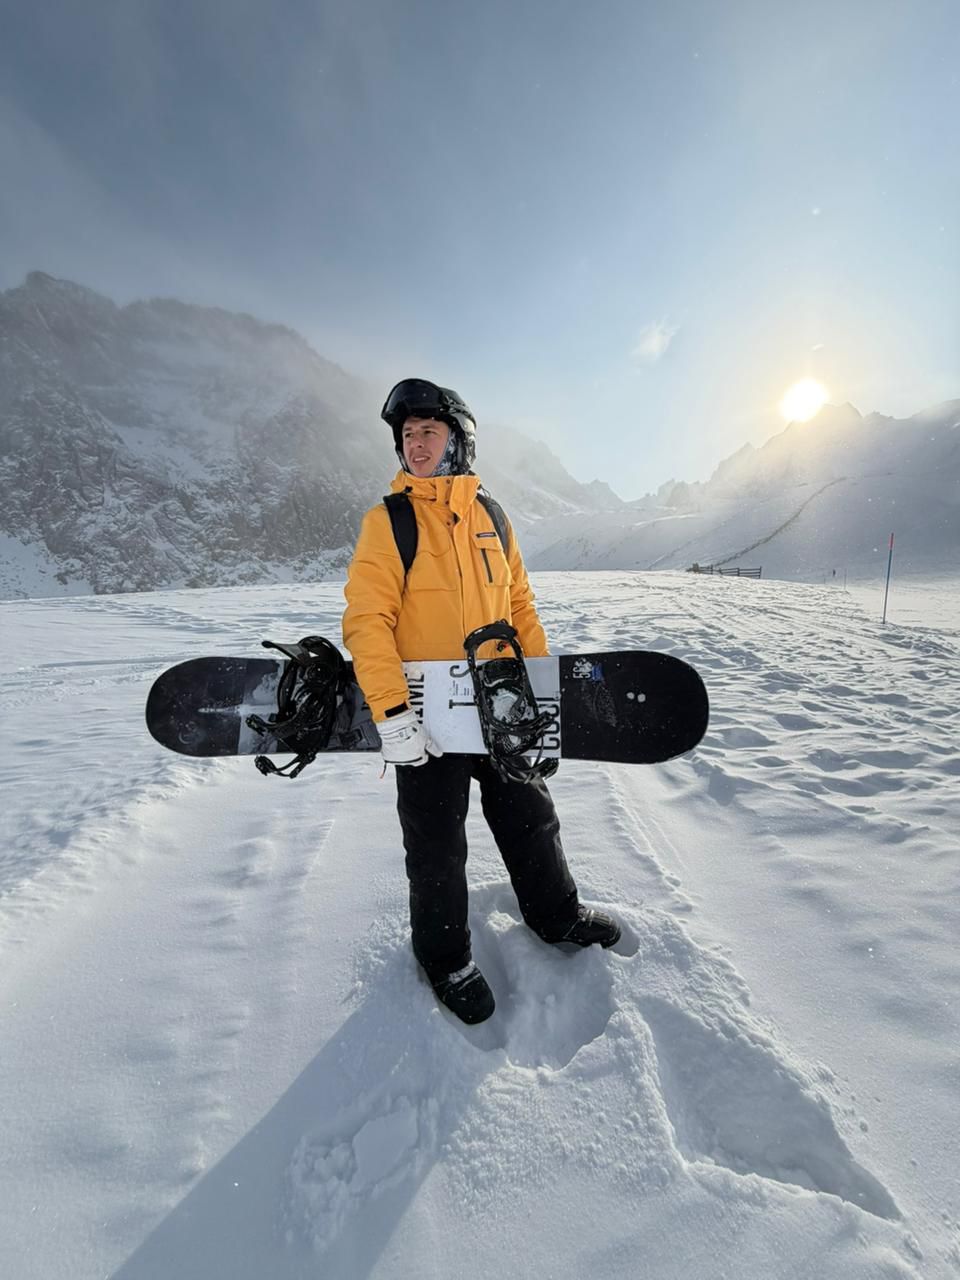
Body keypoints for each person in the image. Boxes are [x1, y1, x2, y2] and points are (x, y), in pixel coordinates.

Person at [342, 378, 620, 1024]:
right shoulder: (389, 522)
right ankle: (445, 958)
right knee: (436, 844)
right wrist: (392, 715)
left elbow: (520, 607)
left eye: (428, 431)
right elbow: (367, 621)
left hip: (501, 704)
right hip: (428, 717)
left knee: (531, 816)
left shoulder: (493, 517)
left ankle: (556, 915)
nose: (416, 444)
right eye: (407, 435)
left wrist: (543, 698)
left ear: (458, 440)